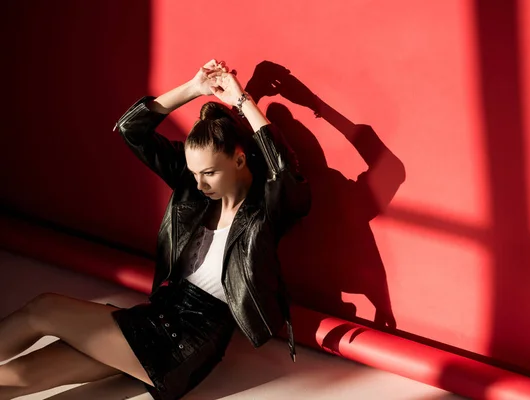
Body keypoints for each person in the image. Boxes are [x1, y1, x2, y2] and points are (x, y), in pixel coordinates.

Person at [0, 59, 311, 400]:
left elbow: (284, 173)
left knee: (44, 310)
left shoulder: (265, 209)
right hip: (154, 317)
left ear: (238, 160)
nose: (199, 183)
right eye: (193, 174)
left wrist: (241, 99)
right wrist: (194, 88)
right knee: (16, 378)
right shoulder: (195, 188)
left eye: (208, 173)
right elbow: (131, 129)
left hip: (189, 340)